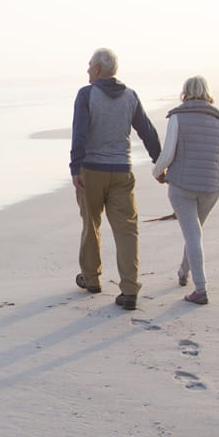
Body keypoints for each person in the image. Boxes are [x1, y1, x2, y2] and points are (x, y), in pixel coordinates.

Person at [70, 48, 162, 310]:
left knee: (91, 224)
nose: (87, 70)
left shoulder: (86, 95)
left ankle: (91, 278)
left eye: (89, 65)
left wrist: (75, 167)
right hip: (122, 170)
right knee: (127, 230)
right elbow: (147, 131)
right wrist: (159, 162)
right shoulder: (130, 96)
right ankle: (130, 289)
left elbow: (79, 133)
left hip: (91, 170)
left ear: (98, 69)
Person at [151, 75, 219, 305]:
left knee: (192, 234)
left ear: (185, 92)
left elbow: (167, 154)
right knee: (194, 232)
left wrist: (157, 172)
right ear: (208, 92)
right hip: (211, 188)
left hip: (182, 187)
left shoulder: (177, 117)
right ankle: (183, 273)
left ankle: (201, 289)